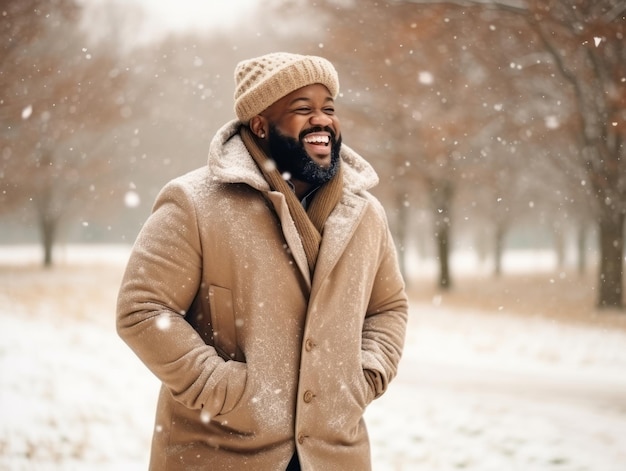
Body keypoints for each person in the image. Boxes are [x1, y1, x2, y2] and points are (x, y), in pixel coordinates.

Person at [116, 52, 408, 471]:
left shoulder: (365, 213)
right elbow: (142, 310)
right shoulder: (194, 203)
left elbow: (388, 308)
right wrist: (227, 390)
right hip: (218, 454)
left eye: (328, 108)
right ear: (259, 124)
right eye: (302, 109)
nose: (322, 120)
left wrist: (362, 377)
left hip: (334, 455)